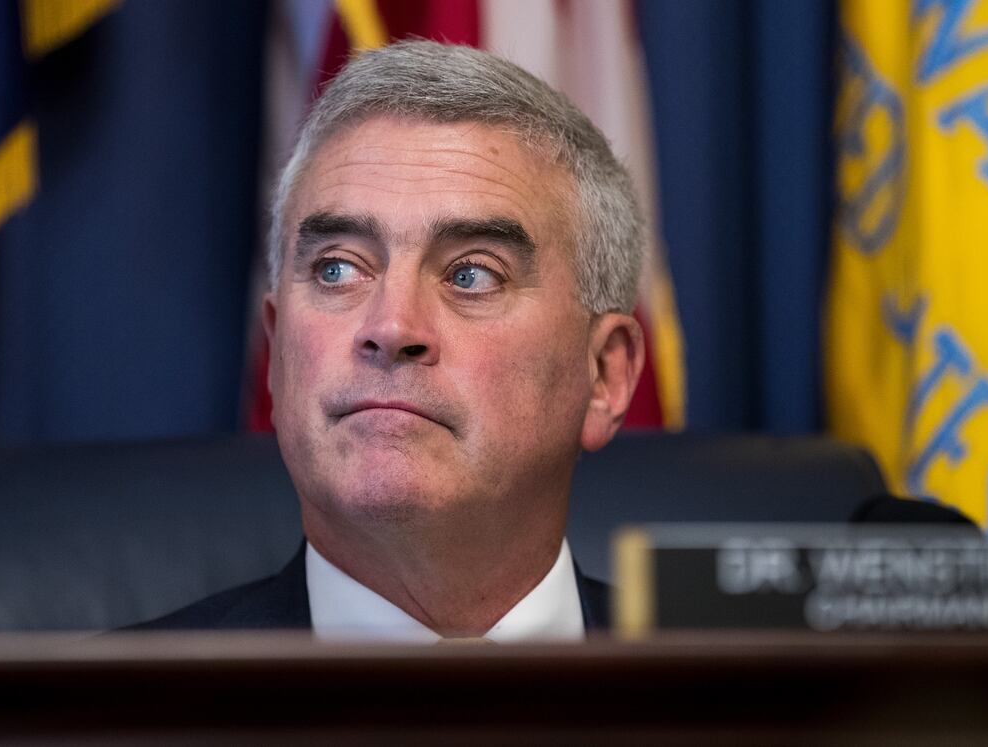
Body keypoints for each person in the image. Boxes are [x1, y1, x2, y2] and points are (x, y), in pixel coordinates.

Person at [141, 40, 646, 640]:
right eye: (338, 269)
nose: (391, 328)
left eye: (471, 275)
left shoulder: (751, 706)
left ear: (604, 375)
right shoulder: (90, 723)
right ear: (277, 357)